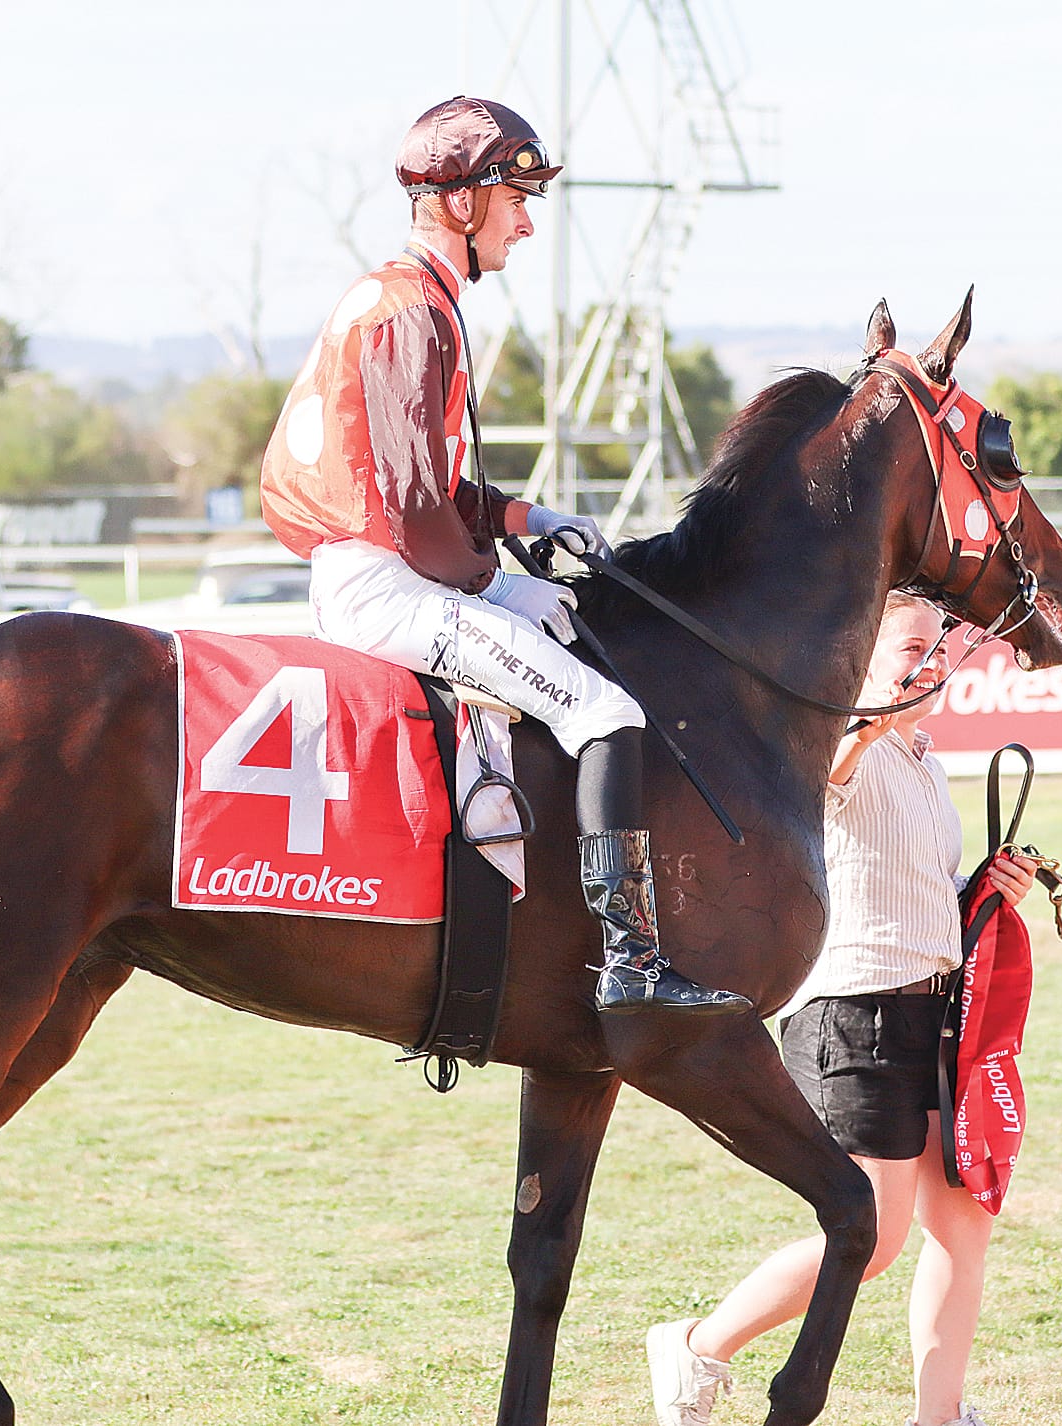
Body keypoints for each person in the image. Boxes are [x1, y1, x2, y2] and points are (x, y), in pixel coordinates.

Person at [258, 95, 747, 1017]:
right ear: (458, 202)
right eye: (513, 197)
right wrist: (497, 582)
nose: (526, 222)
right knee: (604, 713)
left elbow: (431, 491)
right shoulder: (409, 313)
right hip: (385, 583)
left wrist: (531, 512)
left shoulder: (415, 301)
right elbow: (409, 510)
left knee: (561, 613)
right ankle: (629, 956)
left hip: (389, 568)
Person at [645, 591, 1039, 1426]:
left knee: (962, 1227)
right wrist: (873, 714)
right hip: (849, 1017)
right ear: (859, 658)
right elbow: (832, 772)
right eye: (911, 647)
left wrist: (983, 889)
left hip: (931, 1018)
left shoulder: (923, 762)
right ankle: (696, 1345)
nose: (933, 662)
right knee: (871, 1239)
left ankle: (939, 1417)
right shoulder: (831, 743)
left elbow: (912, 891)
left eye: (941, 646)